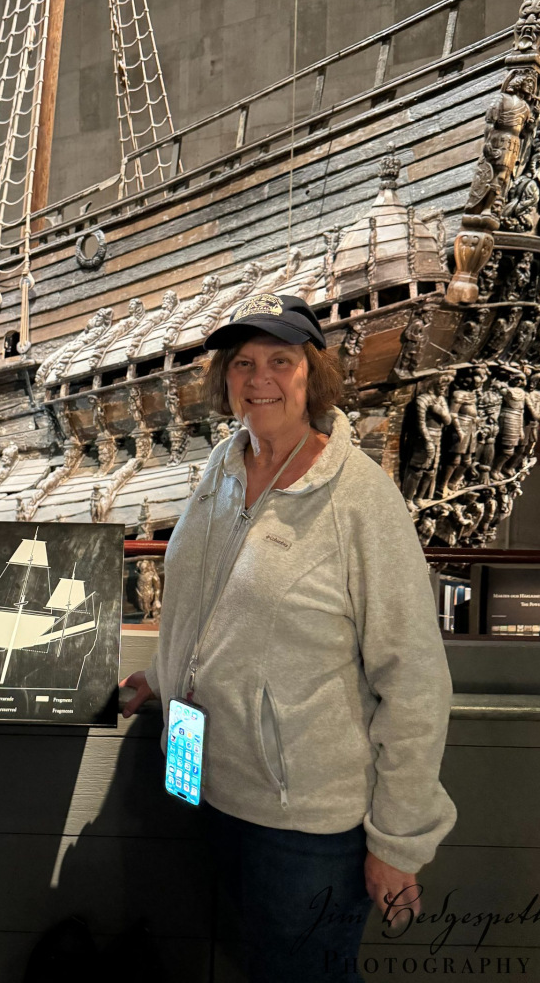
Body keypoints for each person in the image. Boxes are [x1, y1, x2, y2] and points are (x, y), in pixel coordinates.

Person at [122, 292, 457, 983]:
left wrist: (398, 841)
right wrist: (160, 674)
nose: (259, 379)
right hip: (213, 785)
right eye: (243, 363)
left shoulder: (360, 499)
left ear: (313, 374)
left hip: (306, 823)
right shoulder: (224, 465)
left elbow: (414, 677)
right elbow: (205, 599)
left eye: (281, 361)